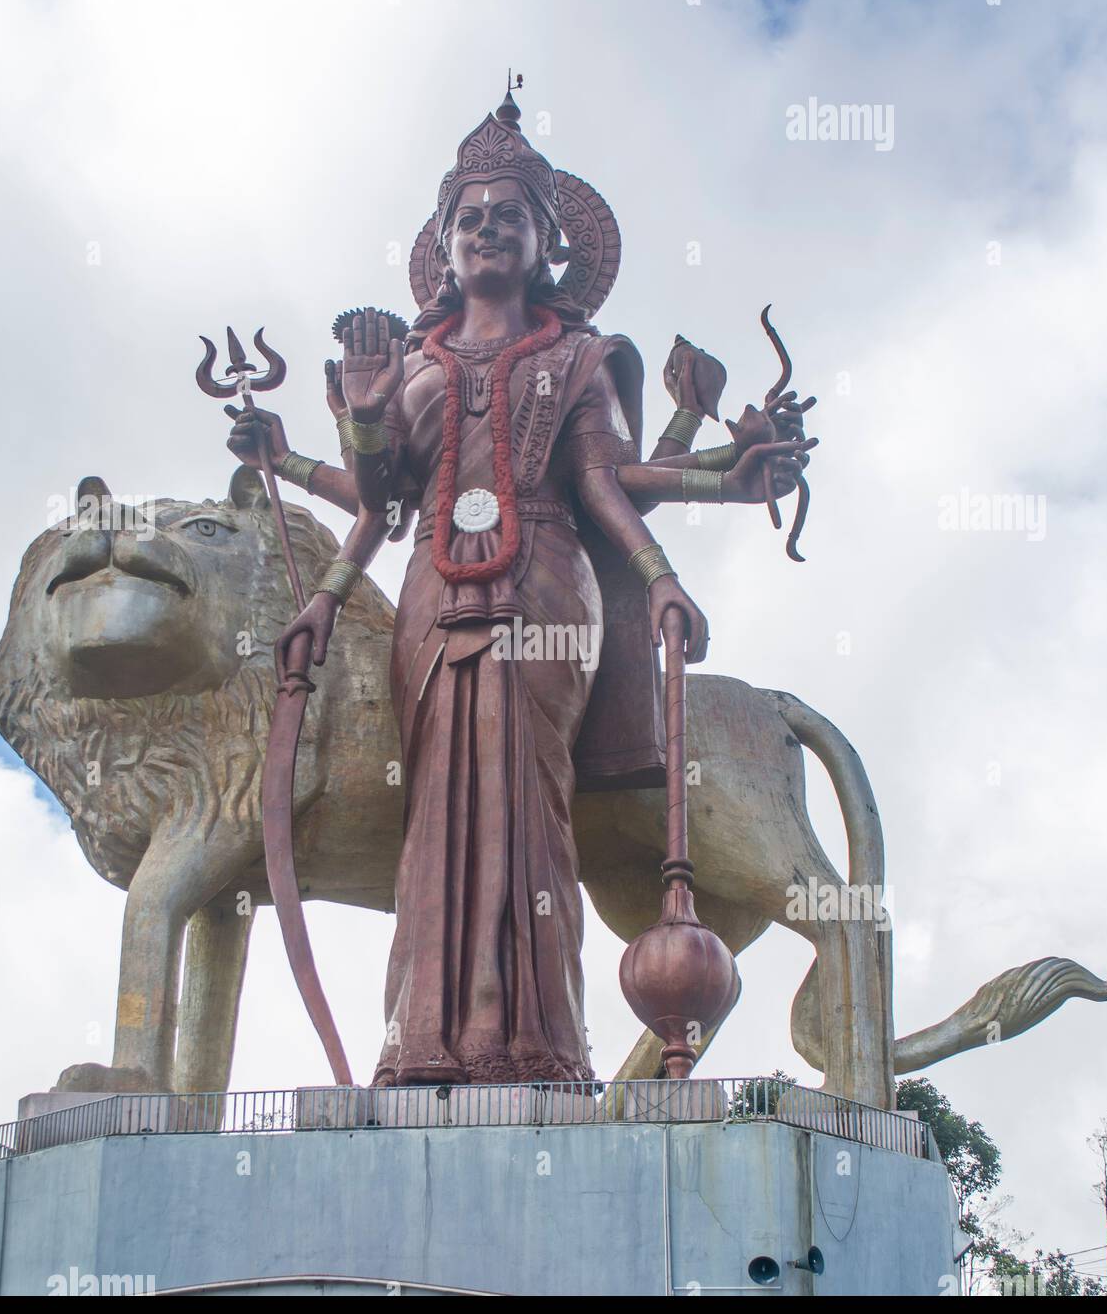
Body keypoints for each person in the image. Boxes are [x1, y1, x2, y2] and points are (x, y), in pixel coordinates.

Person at [227, 92, 814, 1086]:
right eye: (468, 217)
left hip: (543, 583)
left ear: (549, 241)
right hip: (429, 597)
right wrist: (324, 542)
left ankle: (537, 1042)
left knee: (527, 801)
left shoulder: (578, 356)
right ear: (444, 247)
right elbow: (377, 500)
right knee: (433, 817)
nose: (486, 229)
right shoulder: (414, 364)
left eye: (508, 215)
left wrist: (673, 559)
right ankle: (422, 1044)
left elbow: (604, 483)